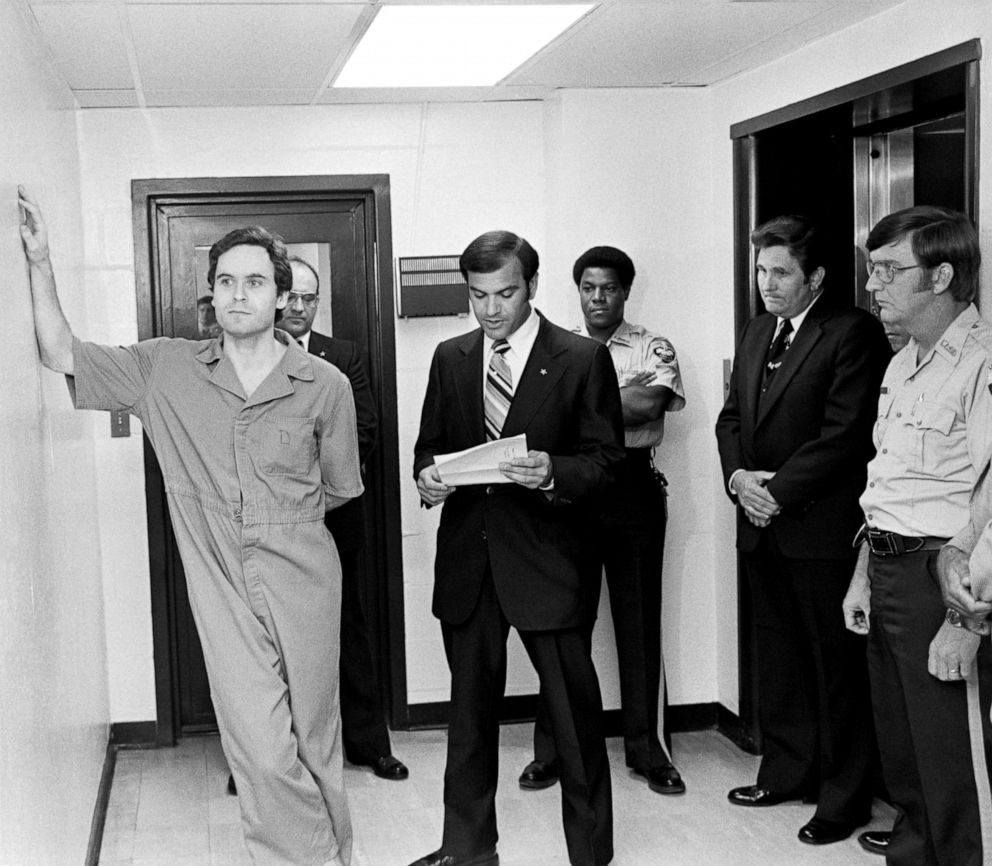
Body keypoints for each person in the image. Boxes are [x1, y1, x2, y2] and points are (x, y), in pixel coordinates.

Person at [17, 187, 361, 866]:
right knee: (261, 745)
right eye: (226, 281)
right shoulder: (165, 369)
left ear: (282, 297)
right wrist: (40, 261)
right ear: (211, 296)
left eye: (255, 281)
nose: (239, 294)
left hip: (307, 575)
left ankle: (337, 854)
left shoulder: (326, 384)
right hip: (221, 579)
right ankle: (311, 859)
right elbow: (61, 353)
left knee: (316, 736)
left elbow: (338, 487)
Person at [410, 230, 624, 866]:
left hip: (549, 565)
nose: (491, 309)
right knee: (468, 722)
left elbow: (606, 462)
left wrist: (554, 471)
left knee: (576, 725)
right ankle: (467, 851)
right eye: (478, 296)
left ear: (530, 284)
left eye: (504, 293)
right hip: (470, 566)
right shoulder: (450, 357)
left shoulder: (581, 358)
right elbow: (430, 445)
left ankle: (590, 856)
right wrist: (426, 478)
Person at [715, 214, 890, 846]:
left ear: (815, 276)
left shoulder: (852, 333)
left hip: (820, 528)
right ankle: (787, 771)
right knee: (781, 659)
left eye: (780, 271)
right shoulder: (760, 328)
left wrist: (775, 493)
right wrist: (739, 480)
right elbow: (731, 417)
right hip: (763, 525)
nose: (766, 282)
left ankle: (843, 799)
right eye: (761, 269)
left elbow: (845, 436)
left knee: (835, 666)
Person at [842, 205, 992, 865]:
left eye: (887, 271)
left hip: (945, 582)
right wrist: (863, 576)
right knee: (904, 755)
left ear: (942, 275)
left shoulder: (979, 367)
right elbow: (890, 484)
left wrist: (970, 618)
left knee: (952, 764)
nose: (872, 287)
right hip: (890, 572)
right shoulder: (904, 362)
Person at [519, 246, 686, 797]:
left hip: (634, 489)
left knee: (639, 623)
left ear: (624, 292)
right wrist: (612, 397)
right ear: (578, 290)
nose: (597, 298)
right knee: (563, 625)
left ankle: (646, 747)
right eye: (588, 287)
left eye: (608, 288)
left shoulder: (652, 345)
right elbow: (580, 415)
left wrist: (583, 401)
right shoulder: (558, 348)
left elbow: (649, 406)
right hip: (576, 492)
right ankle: (552, 750)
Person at [276, 255, 408, 781]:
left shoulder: (344, 357)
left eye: (311, 298)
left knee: (347, 632)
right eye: (292, 298)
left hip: (335, 522)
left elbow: (363, 432)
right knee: (271, 642)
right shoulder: (243, 358)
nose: (301, 308)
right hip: (267, 528)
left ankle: (368, 745)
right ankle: (268, 758)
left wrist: (305, 486)